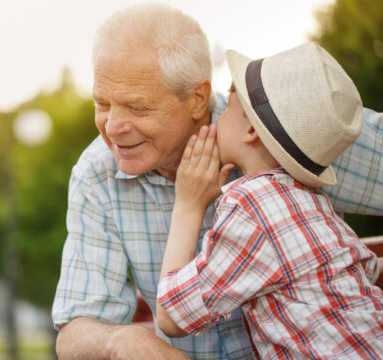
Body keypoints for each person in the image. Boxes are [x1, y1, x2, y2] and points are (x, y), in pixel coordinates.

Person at [52, 3, 383, 359]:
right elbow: (76, 325)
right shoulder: (97, 174)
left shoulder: (291, 126)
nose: (112, 127)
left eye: (137, 107)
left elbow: (174, 313)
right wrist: (119, 341)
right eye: (102, 104)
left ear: (197, 99)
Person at [156, 42, 383, 359]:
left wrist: (188, 205)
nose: (216, 121)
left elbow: (171, 315)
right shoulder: (312, 201)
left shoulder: (252, 206)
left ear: (250, 128)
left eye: (227, 111)